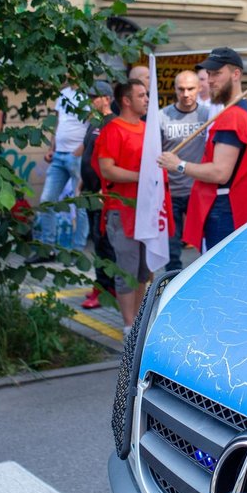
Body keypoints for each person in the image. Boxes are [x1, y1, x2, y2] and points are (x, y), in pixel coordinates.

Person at [158, 47, 247, 250]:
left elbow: (220, 172)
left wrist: (178, 165)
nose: (211, 80)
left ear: (236, 74)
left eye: (217, 73)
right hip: (231, 208)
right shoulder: (242, 112)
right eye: (209, 74)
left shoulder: (233, 117)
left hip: (224, 209)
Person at [94, 80, 154, 334]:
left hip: (146, 209)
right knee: (126, 269)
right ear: (126, 101)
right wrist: (139, 176)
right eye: (141, 95)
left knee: (143, 270)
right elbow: (107, 168)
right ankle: (129, 326)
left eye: (147, 95)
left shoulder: (147, 129)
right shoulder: (113, 130)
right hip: (122, 209)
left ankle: (138, 322)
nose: (147, 99)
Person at [33, 84, 90, 262]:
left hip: (77, 156)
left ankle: (77, 251)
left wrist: (81, 149)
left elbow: (94, 125)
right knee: (46, 202)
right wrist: (51, 148)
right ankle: (47, 249)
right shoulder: (63, 93)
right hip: (59, 155)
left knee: (80, 205)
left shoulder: (88, 93)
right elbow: (58, 123)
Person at [159, 70, 209, 271]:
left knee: (205, 245)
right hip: (170, 192)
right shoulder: (162, 116)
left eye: (190, 89)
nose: (186, 94)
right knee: (171, 249)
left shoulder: (208, 115)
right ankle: (170, 286)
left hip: (199, 190)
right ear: (174, 90)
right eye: (181, 89)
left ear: (199, 88)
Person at [79, 81, 117, 310]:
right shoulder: (93, 122)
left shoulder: (112, 124)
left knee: (103, 242)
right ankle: (104, 284)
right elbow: (89, 155)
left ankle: (105, 287)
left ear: (107, 98)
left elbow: (112, 159)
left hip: (103, 195)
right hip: (89, 191)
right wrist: (81, 183)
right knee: (96, 240)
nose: (90, 100)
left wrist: (105, 190)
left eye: (94, 96)